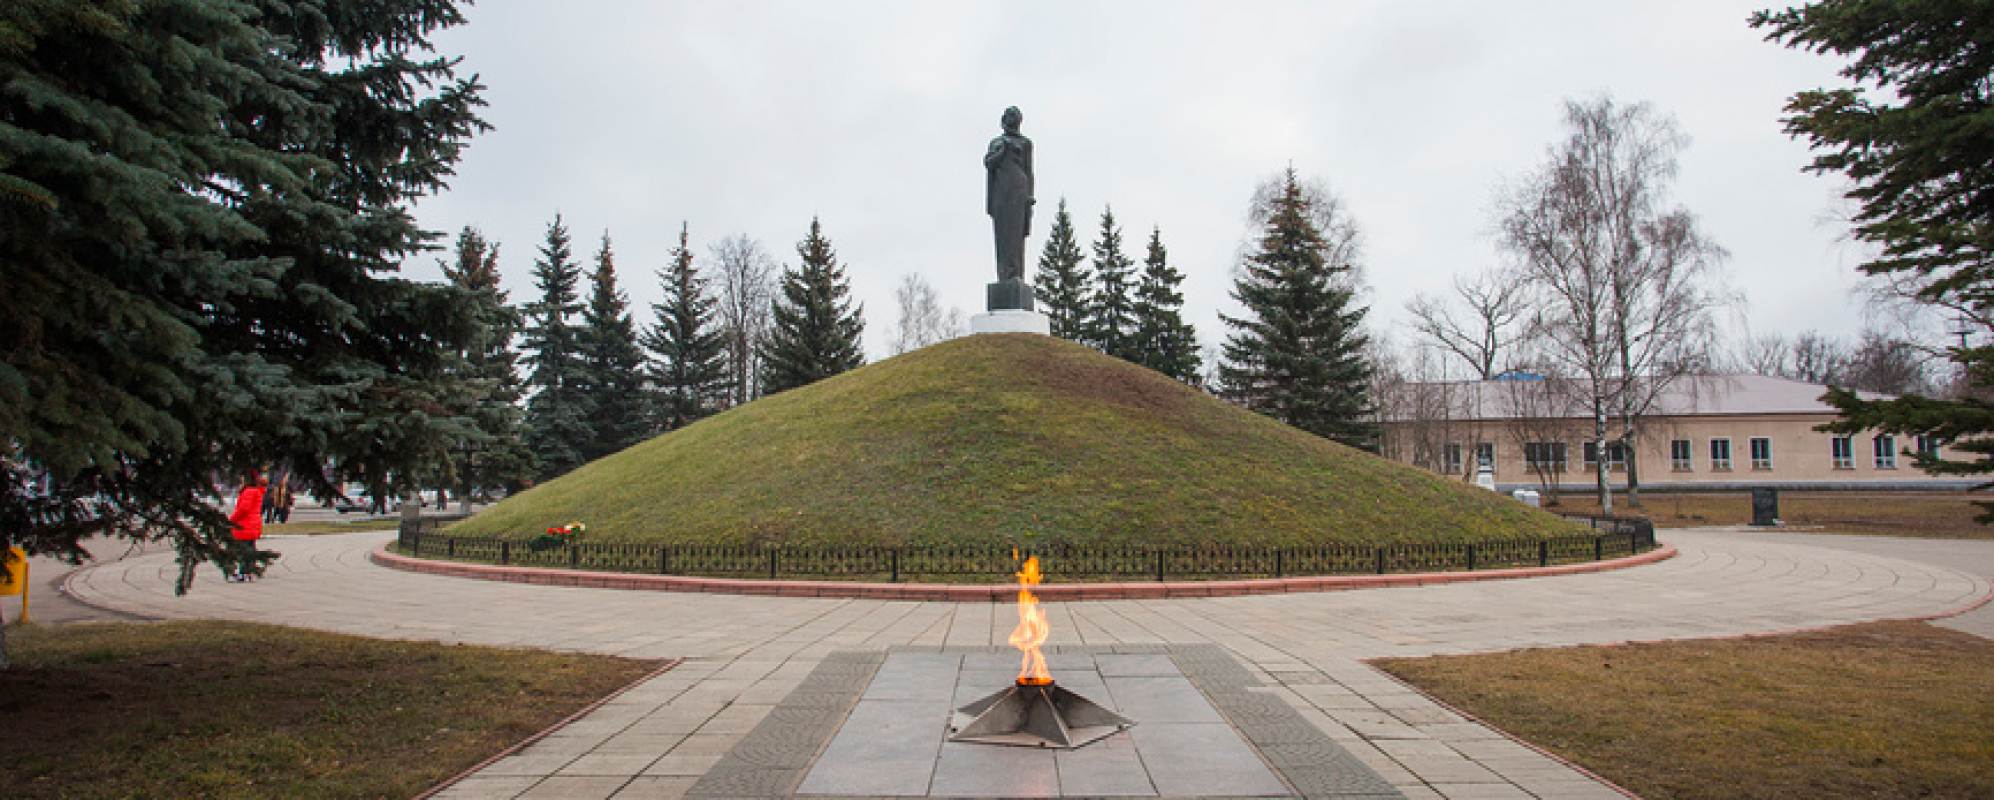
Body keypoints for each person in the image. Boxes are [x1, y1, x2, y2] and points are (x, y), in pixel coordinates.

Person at [224, 470, 267, 582]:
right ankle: (249, 572)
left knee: (241, 550)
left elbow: (243, 509)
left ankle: (243, 573)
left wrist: (231, 520)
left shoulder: (249, 491)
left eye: (243, 478)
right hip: (253, 525)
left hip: (245, 525)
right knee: (250, 549)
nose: (241, 480)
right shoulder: (257, 490)